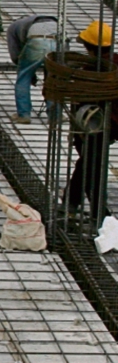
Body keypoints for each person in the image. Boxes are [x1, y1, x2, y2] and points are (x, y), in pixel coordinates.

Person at [67, 21, 117, 227]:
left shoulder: (89, 70)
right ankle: (72, 200)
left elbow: (81, 100)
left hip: (99, 124)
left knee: (92, 164)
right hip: (110, 123)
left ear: (88, 47)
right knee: (89, 160)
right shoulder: (115, 61)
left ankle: (99, 213)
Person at [6, 15, 57, 125]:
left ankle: (24, 115)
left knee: (23, 77)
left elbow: (15, 54)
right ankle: (55, 115)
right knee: (54, 78)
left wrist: (28, 72)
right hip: (59, 37)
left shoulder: (13, 27)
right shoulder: (49, 20)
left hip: (37, 39)